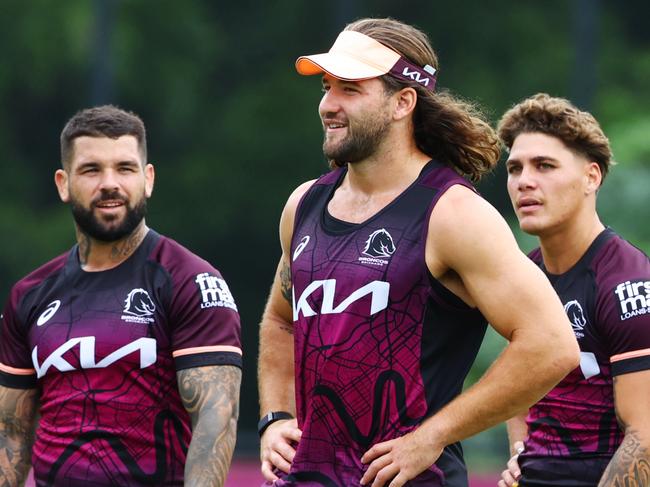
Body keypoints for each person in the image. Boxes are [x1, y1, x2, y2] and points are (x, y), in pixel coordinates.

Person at [257, 18, 579, 487]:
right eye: (327, 88)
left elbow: (551, 344)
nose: (328, 104)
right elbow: (280, 321)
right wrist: (275, 417)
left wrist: (431, 437)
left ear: (402, 102)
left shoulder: (453, 214)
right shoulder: (303, 204)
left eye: (350, 88)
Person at [0, 105, 242, 487]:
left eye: (124, 168)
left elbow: (215, 422)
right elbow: (11, 434)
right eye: (91, 169)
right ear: (63, 183)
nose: (109, 183)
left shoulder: (190, 281)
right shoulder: (28, 296)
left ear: (148, 179)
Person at [496, 93, 650, 487]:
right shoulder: (522, 275)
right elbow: (517, 383)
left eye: (544, 166)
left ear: (591, 177)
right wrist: (519, 456)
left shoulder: (628, 283)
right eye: (515, 168)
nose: (524, 181)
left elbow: (646, 439)